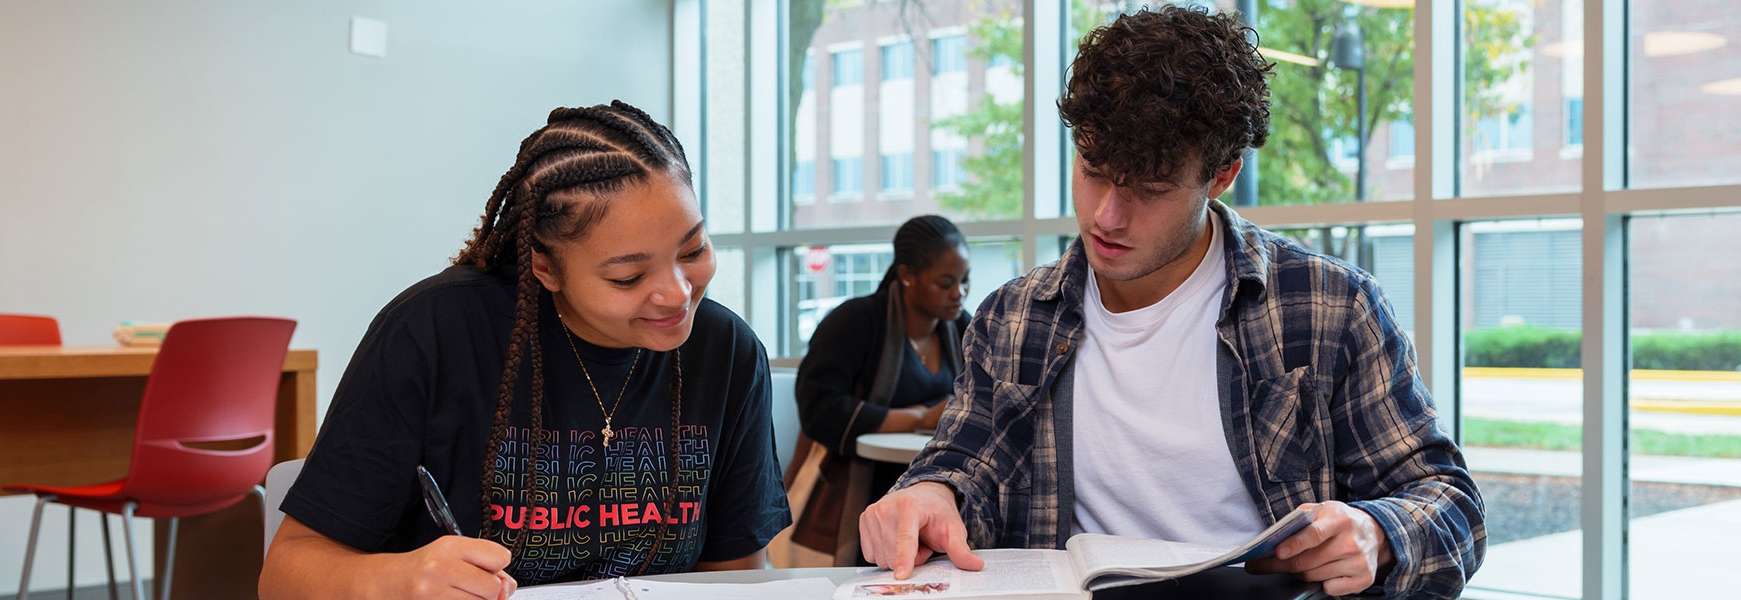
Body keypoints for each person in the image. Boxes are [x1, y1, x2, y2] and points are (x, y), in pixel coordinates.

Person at [856, 7, 1485, 600]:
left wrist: (1377, 534)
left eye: (1151, 189)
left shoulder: (1328, 307)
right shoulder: (1015, 318)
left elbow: (1449, 502)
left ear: (1221, 176)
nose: (1106, 216)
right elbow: (963, 465)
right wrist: (931, 494)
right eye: (1093, 169)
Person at [259, 101, 790, 600]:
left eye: (693, 249)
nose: (677, 293)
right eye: (628, 277)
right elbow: (284, 573)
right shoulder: (433, 333)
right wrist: (398, 576)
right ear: (545, 267)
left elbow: (734, 577)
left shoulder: (726, 352)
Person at [783, 215, 971, 564]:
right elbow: (820, 409)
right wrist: (920, 418)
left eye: (964, 281)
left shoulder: (962, 327)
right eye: (945, 282)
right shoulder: (855, 322)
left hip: (935, 484)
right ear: (907, 275)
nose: (958, 293)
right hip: (858, 487)